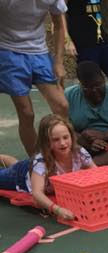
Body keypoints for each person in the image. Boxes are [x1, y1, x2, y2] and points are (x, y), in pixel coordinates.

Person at [0, 0, 70, 155]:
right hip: (8, 51)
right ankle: (37, 161)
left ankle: (63, 154)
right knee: (26, 113)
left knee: (62, 105)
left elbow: (58, 25)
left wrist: (58, 62)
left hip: (39, 52)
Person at [0, 114, 94, 222]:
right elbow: (37, 193)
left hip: (33, 169)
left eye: (65, 137)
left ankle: (6, 159)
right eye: (55, 140)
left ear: (71, 136)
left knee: (19, 165)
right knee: (11, 171)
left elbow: (97, 173)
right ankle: (9, 162)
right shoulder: (42, 162)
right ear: (46, 142)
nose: (62, 143)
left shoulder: (80, 153)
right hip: (21, 177)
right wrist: (57, 209)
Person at [65, 0, 108, 88]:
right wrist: (67, 41)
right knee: (89, 83)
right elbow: (58, 16)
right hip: (82, 42)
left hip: (101, 39)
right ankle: (77, 100)